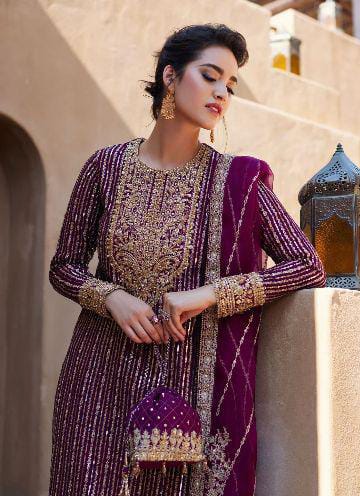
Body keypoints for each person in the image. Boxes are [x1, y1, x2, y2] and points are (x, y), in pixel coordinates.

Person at [48, 23, 326, 496]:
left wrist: (210, 294)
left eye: (230, 85)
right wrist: (111, 298)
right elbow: (64, 267)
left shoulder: (238, 181)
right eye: (210, 76)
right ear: (171, 76)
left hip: (184, 390)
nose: (222, 93)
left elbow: (307, 264)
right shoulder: (104, 168)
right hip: (97, 379)